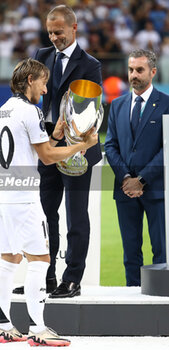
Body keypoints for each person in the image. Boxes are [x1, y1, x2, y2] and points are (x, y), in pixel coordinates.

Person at [0, 58, 98, 345]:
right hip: (24, 198)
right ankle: (38, 330)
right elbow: (47, 157)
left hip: (2, 193)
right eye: (42, 81)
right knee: (40, 260)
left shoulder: (4, 109)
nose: (45, 87)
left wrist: (54, 135)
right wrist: (81, 145)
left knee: (9, 259)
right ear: (30, 81)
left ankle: (4, 325)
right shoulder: (31, 110)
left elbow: (32, 147)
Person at [13, 5, 102, 298]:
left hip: (76, 149)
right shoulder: (41, 56)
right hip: (48, 146)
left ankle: (72, 279)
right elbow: (28, 100)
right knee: (44, 214)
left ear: (73, 29)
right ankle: (45, 276)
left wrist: (73, 139)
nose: (53, 37)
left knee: (76, 216)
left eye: (59, 32)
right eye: (50, 32)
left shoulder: (90, 64)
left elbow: (90, 111)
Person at [105, 49, 168, 286]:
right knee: (130, 253)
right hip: (124, 191)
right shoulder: (118, 104)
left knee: (161, 252)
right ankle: (131, 297)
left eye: (139, 70)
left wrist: (140, 179)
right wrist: (125, 178)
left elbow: (167, 150)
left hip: (157, 190)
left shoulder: (166, 104)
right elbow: (110, 145)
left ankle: (162, 301)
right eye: (131, 69)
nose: (134, 75)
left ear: (152, 71)